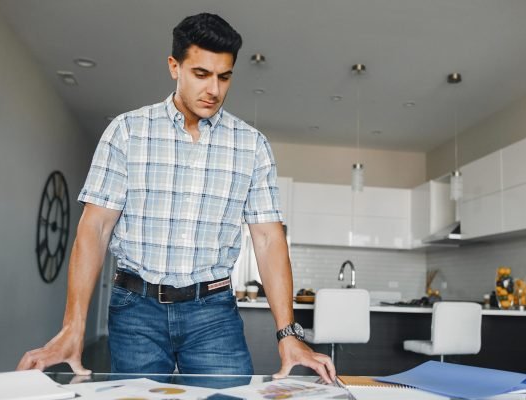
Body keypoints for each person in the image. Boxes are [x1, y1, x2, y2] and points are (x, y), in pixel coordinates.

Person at [17, 13, 336, 382]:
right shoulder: (127, 132)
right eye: (201, 74)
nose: (214, 89)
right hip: (135, 309)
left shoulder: (252, 145)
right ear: (174, 67)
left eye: (224, 76)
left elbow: (267, 238)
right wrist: (74, 327)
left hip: (213, 313)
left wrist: (288, 334)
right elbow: (95, 229)